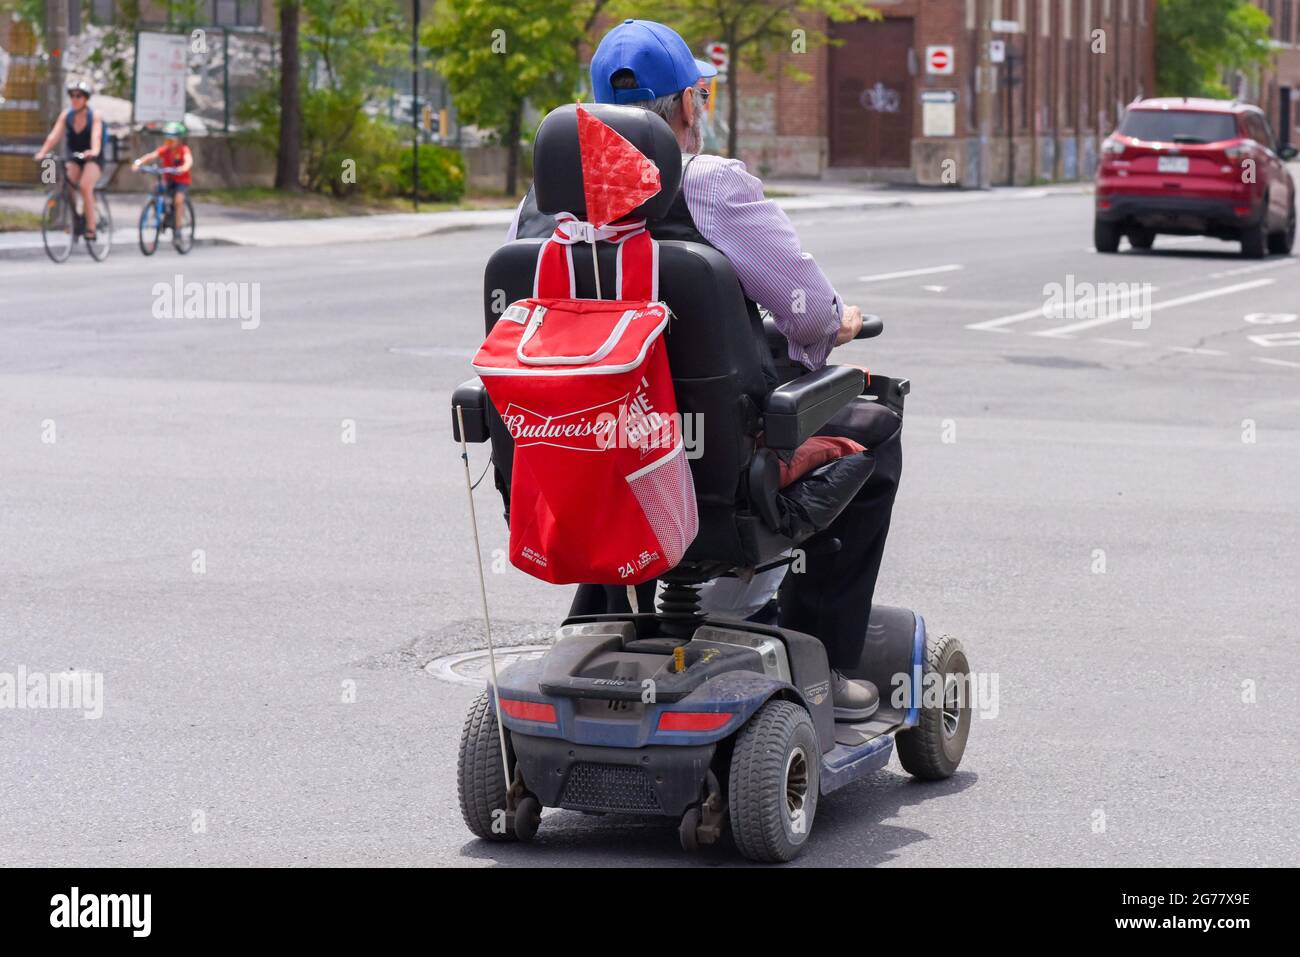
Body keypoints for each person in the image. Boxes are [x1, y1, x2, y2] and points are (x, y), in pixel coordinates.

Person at [507, 19, 902, 721]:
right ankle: (828, 659)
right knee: (878, 419)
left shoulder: (540, 207)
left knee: (613, 430)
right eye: (703, 95)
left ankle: (599, 622)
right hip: (711, 466)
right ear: (689, 106)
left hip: (574, 456)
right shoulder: (708, 185)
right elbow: (808, 315)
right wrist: (831, 327)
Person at [34, 80, 104, 241]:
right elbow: (54, 136)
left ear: (85, 99)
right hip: (74, 155)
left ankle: (91, 227)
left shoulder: (94, 116)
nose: (74, 99)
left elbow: (96, 136)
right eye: (71, 95)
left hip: (92, 157)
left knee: (85, 187)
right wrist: (42, 152)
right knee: (68, 186)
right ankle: (75, 221)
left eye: (78, 96)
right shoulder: (67, 115)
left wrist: (93, 151)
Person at [132, 122, 194, 233]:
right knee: (157, 190)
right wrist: (139, 162)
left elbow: (188, 160)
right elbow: (151, 156)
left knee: (178, 200)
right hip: (168, 179)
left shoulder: (183, 150)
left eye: (172, 139)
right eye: (167, 139)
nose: (169, 142)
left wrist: (184, 167)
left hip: (181, 181)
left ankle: (178, 229)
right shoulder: (165, 149)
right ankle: (159, 212)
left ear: (179, 140)